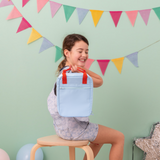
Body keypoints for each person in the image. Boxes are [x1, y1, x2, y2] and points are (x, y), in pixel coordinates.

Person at [47, 34, 124, 160]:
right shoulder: (73, 77)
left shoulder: (64, 72)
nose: (84, 55)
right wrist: (82, 70)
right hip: (75, 129)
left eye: (86, 51)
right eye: (80, 51)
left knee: (98, 141)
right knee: (119, 137)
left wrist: (80, 69)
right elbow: (99, 81)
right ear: (67, 53)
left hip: (62, 128)